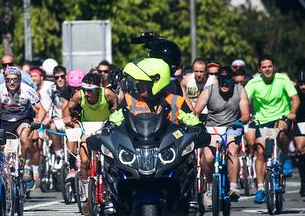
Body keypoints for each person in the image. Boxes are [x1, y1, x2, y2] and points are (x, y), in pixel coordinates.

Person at [244, 56, 300, 204]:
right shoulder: (254, 83)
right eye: (264, 67)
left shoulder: (282, 79)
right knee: (260, 151)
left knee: (280, 132)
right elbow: (244, 100)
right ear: (259, 69)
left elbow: (295, 98)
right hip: (262, 121)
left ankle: (286, 156)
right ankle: (261, 188)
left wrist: (293, 111)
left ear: (273, 67)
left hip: (281, 117)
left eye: (269, 66)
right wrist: (245, 115)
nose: (267, 69)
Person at [194, 66, 250, 206]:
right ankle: (210, 187)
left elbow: (245, 114)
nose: (224, 85)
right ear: (218, 80)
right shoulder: (209, 90)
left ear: (232, 80)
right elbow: (196, 111)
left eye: (227, 81)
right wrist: (195, 123)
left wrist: (240, 121)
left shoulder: (240, 90)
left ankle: (233, 186)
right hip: (212, 127)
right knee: (208, 157)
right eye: (221, 81)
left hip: (232, 126)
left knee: (232, 152)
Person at [63, 72, 117, 212]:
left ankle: (110, 192)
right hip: (86, 130)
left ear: (98, 89)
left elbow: (118, 110)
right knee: (85, 161)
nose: (86, 93)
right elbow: (68, 110)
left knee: (109, 163)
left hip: (104, 130)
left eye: (90, 90)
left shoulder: (108, 95)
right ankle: (87, 196)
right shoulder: (78, 96)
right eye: (84, 89)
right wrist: (70, 120)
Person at [0, 66, 46, 187]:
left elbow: (42, 110)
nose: (12, 82)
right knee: (0, 146)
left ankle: (26, 166)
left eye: (15, 79)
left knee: (25, 136)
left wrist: (38, 121)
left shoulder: (27, 90)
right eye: (8, 80)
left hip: (22, 120)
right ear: (4, 79)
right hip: (4, 122)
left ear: (20, 79)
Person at [109, 57, 199, 127]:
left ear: (156, 82)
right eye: (137, 82)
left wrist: (198, 129)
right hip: (137, 148)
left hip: (169, 148)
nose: (138, 85)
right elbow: (115, 118)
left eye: (142, 82)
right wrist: (108, 127)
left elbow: (192, 122)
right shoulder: (131, 99)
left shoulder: (175, 101)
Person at [293, 71, 305, 196]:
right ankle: (303, 183)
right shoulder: (294, 92)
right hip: (300, 122)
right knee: (300, 150)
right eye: (301, 84)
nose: (303, 87)